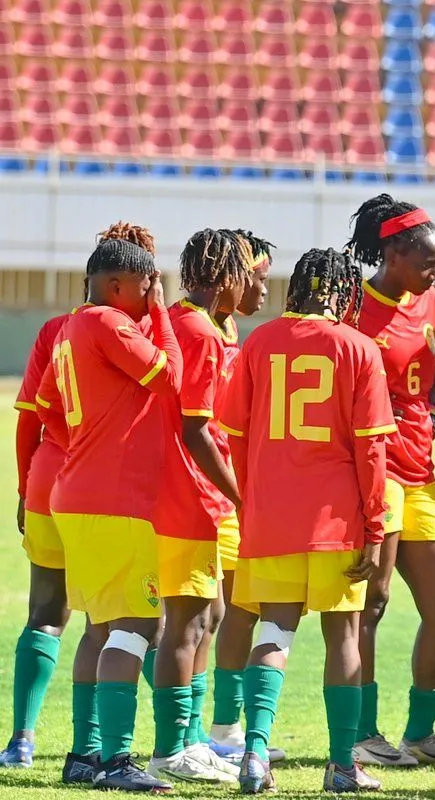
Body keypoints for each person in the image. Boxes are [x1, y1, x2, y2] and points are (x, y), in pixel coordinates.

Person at [220, 248, 394, 794]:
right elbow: (371, 450)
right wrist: (376, 525)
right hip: (335, 520)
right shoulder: (359, 348)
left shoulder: (259, 342)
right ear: (341, 291)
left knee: (273, 630)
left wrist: (250, 501)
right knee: (343, 636)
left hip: (271, 516)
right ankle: (342, 765)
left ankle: (253, 754)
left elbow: (234, 436)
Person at [0, 223, 156, 782]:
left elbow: (31, 419)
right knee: (121, 618)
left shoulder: (57, 329)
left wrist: (25, 488)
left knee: (46, 613)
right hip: (103, 489)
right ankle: (157, 742)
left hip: (50, 480)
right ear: (124, 279)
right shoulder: (133, 332)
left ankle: (22, 739)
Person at [38, 235, 182, 793]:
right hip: (114, 501)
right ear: (118, 285)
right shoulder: (110, 323)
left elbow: (49, 405)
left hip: (78, 495)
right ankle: (118, 761)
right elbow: (169, 377)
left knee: (100, 628)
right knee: (139, 624)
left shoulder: (71, 328)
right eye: (147, 286)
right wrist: (162, 315)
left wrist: (91, 441)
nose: (152, 295)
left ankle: (84, 754)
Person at [345, 195, 435, 768]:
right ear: (392, 254)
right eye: (427, 264)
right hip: (373, 472)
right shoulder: (352, 307)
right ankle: (361, 733)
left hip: (420, 471)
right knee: (371, 603)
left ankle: (421, 734)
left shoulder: (430, 301)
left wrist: (432, 413)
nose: (434, 274)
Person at [146, 230, 256, 785]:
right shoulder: (200, 332)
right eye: (247, 274)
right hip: (186, 493)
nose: (253, 285)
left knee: (207, 616)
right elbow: (195, 429)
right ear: (227, 277)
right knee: (186, 623)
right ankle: (171, 749)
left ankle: (190, 739)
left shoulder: (185, 321)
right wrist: (241, 495)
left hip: (183, 493)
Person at [207, 230, 287, 765]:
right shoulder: (196, 327)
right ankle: (197, 734)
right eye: (257, 279)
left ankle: (221, 730)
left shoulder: (230, 327)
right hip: (208, 492)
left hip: (231, 487)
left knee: (238, 608)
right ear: (230, 278)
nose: (264, 290)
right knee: (208, 614)